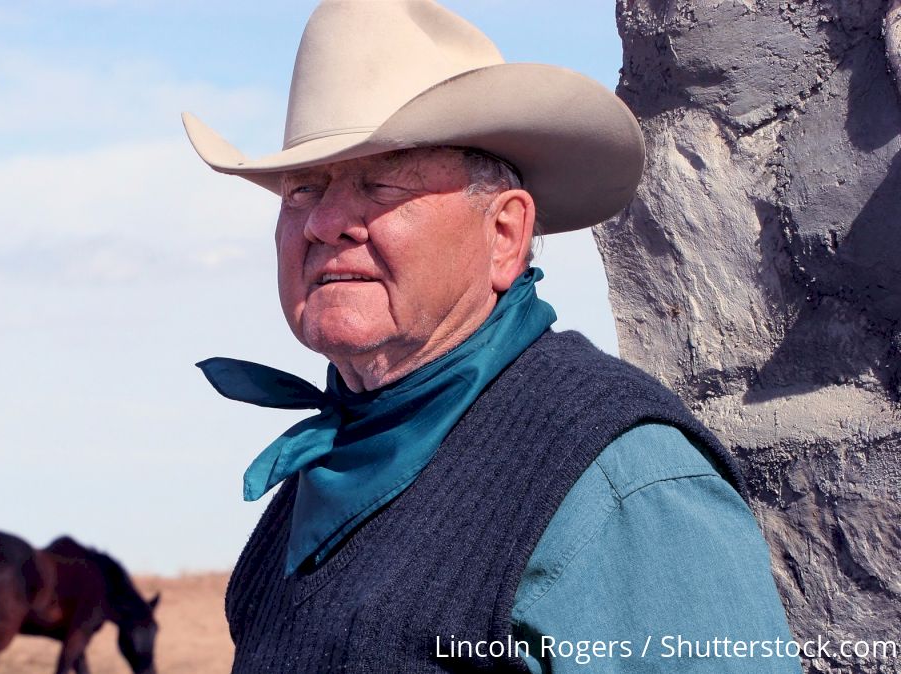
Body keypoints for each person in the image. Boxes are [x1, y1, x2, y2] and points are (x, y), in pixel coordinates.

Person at [184, 1, 801, 672]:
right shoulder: (328, 464)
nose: (324, 222)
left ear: (504, 235)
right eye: (302, 188)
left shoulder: (620, 484)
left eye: (381, 181)